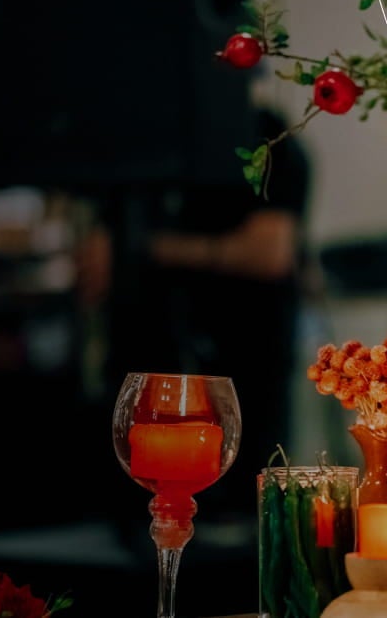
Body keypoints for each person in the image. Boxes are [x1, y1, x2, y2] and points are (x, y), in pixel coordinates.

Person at [78, 108, 311, 542]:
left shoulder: (265, 137)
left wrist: (144, 251)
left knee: (232, 533)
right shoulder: (133, 144)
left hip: (240, 372)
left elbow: (270, 251)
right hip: (140, 374)